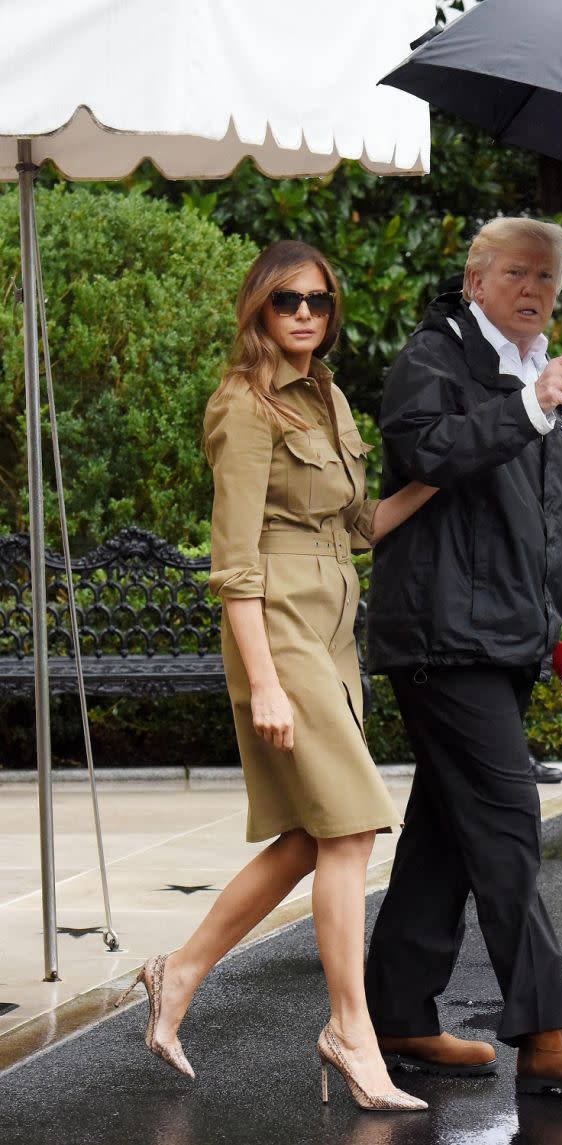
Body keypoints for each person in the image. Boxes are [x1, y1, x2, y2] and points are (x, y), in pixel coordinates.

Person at [115, 240, 434, 1113]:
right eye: (289, 299)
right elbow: (235, 563)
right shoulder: (243, 405)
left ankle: (178, 970)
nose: (305, 314)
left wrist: (444, 476)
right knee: (357, 824)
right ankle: (349, 1030)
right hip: (279, 627)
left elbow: (361, 522)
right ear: (258, 305)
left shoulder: (326, 394)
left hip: (333, 623)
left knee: (310, 834)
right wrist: (262, 680)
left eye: (320, 302)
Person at [363, 218, 562, 1095]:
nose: (534, 290)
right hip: (443, 636)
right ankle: (549, 1030)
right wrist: (528, 406)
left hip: (507, 639)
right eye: (517, 273)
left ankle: (397, 1016)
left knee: (447, 834)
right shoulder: (435, 358)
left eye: (549, 280)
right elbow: (422, 450)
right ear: (476, 278)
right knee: (508, 818)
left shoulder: (554, 379)